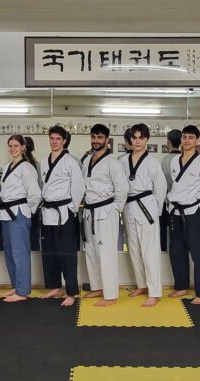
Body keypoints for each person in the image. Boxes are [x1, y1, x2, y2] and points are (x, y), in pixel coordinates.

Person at [166, 125, 200, 305]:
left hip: (194, 211)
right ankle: (181, 286)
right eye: (184, 137)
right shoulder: (174, 161)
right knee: (177, 251)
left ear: (197, 141)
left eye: (191, 137)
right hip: (175, 210)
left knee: (198, 253)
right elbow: (175, 186)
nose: (187, 140)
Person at [81, 124, 129, 307]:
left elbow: (122, 189)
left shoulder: (113, 162)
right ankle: (98, 287)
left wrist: (115, 210)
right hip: (89, 211)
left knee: (106, 253)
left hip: (106, 211)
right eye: (93, 137)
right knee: (91, 251)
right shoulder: (87, 160)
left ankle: (111, 295)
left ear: (107, 140)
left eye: (99, 137)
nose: (95, 141)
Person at [122, 123, 167, 307]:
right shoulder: (122, 160)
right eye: (134, 138)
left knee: (149, 251)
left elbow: (161, 188)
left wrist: (155, 210)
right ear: (130, 140)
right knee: (133, 249)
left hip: (147, 206)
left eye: (141, 138)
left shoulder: (152, 162)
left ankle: (154, 291)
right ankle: (141, 285)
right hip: (129, 206)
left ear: (147, 139)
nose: (137, 141)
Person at [39, 126, 85, 307]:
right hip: (48, 211)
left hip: (64, 212)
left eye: (58, 138)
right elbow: (44, 186)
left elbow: (79, 187)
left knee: (67, 254)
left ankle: (72, 292)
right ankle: (55, 286)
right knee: (49, 252)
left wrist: (72, 209)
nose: (54, 141)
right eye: (52, 138)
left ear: (64, 140)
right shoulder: (44, 161)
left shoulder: (70, 162)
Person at [0, 135, 42, 302]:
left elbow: (35, 195)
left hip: (19, 212)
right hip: (6, 213)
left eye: (16, 145)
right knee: (9, 252)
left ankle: (23, 291)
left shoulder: (27, 168)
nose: (13, 149)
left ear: (23, 147)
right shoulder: (8, 166)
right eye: (10, 146)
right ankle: (16, 285)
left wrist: (26, 212)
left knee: (20, 252)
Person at [160, 129, 182, 251]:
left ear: (168, 142)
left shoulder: (165, 160)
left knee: (167, 236)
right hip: (184, 205)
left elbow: (161, 184)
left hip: (168, 203)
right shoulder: (185, 159)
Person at [25, 136, 41, 251]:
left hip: (23, 207)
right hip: (35, 207)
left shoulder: (21, 165)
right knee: (34, 238)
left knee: (23, 239)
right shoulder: (37, 164)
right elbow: (41, 185)